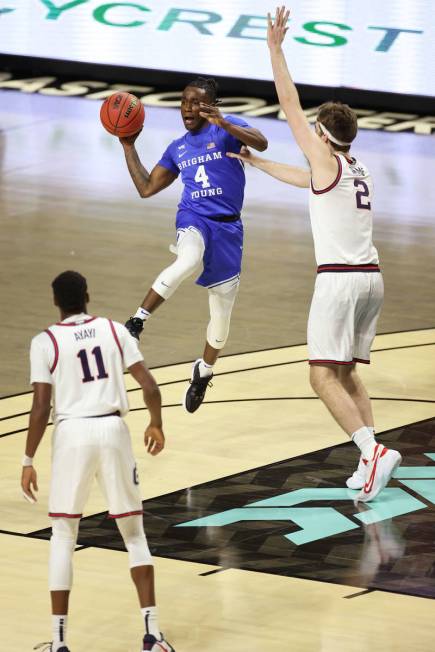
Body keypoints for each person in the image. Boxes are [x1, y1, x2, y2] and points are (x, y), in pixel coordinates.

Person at [229, 7, 401, 502]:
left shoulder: (324, 155)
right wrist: (258, 162)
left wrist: (275, 50)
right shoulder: (354, 167)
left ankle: (371, 454)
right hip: (371, 277)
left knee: (320, 376)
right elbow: (307, 181)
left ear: (322, 137)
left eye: (313, 134)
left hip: (341, 280)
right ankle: (372, 460)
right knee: (347, 373)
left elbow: (288, 102)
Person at [21, 271, 175, 652]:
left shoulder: (45, 342)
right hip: (112, 431)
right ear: (87, 295)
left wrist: (27, 459)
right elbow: (150, 386)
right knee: (134, 535)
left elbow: (41, 408)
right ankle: (153, 637)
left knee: (63, 536)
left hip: (72, 435)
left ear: (55, 302)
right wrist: (155, 423)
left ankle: (58, 643)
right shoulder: (113, 331)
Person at [120, 77, 268, 413]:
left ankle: (204, 371)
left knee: (220, 320)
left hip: (228, 229)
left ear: (211, 105)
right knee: (187, 259)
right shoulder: (178, 147)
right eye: (185, 101)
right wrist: (128, 147)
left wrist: (225, 121)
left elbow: (261, 143)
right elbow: (146, 188)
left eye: (197, 102)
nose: (188, 107)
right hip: (193, 219)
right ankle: (136, 322)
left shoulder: (227, 129)